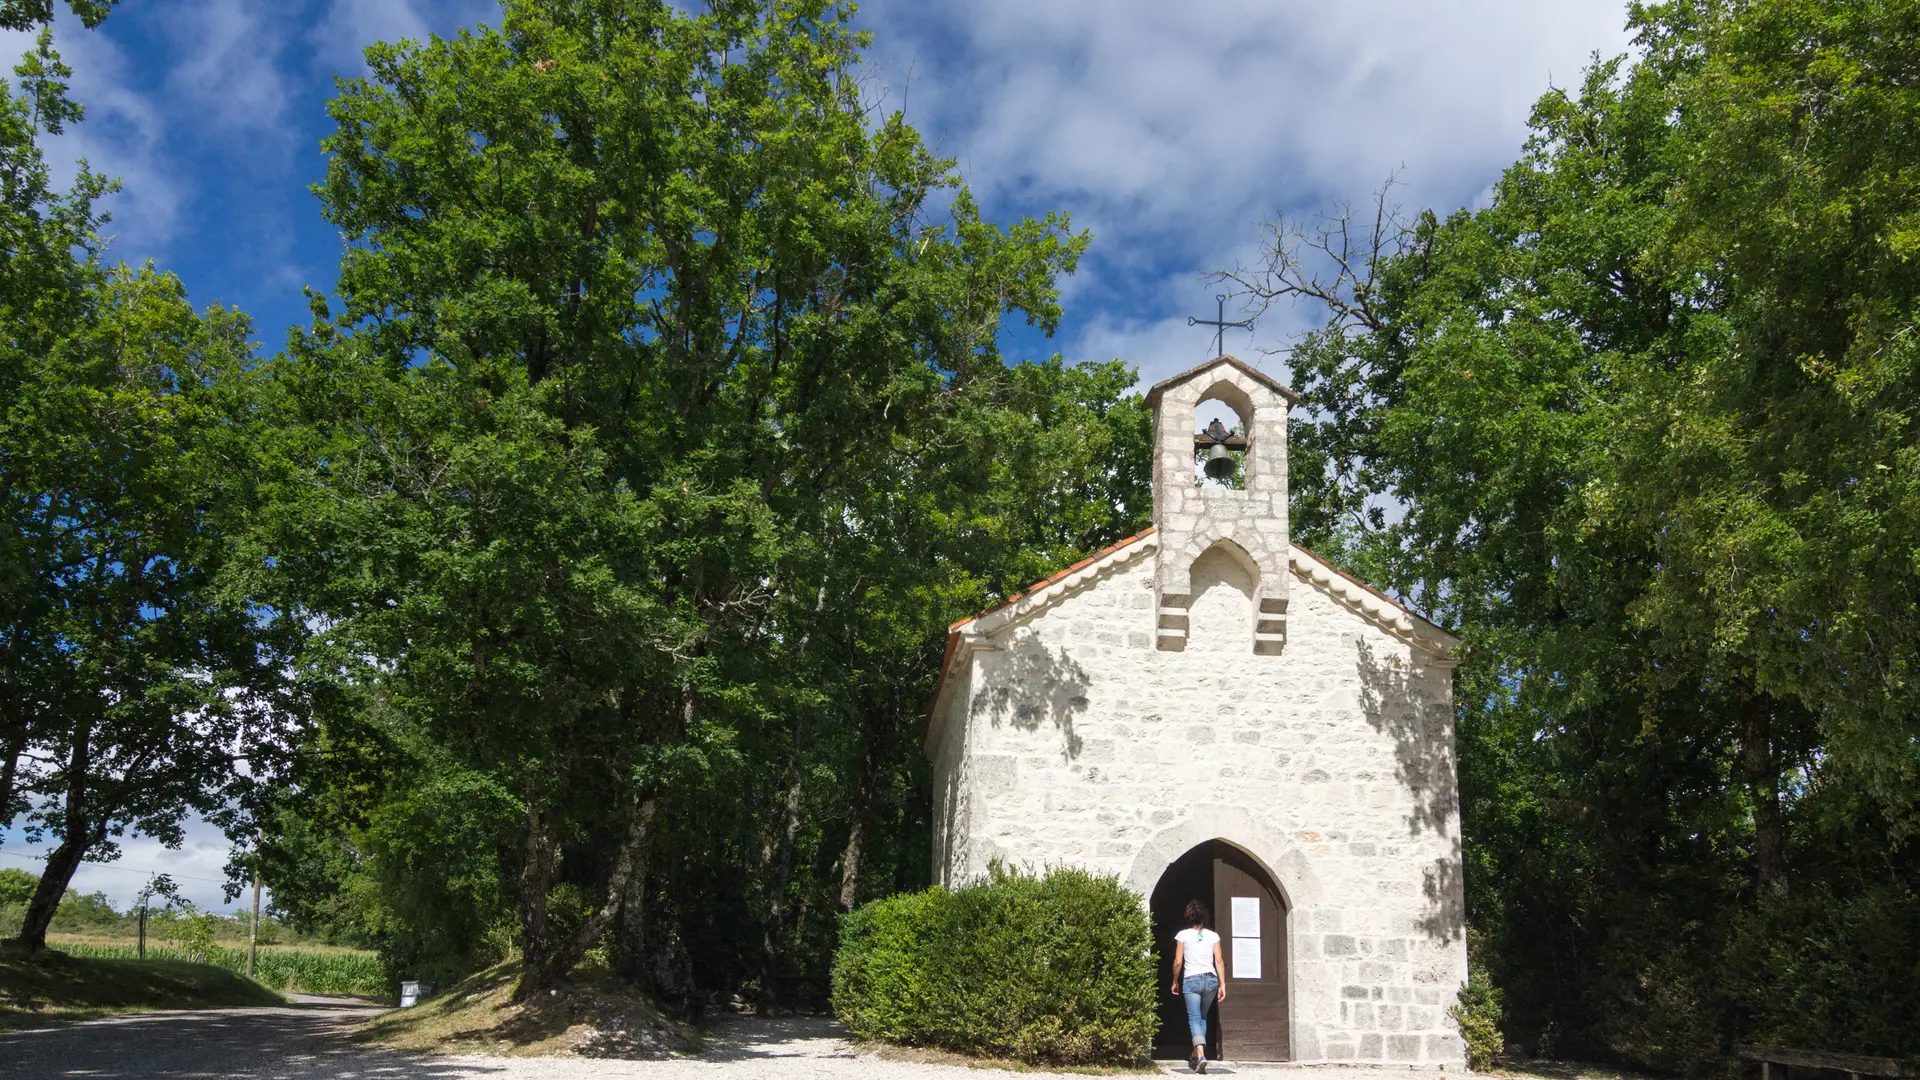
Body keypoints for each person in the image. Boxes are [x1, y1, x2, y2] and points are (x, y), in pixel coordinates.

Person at [1169, 899, 1226, 1073]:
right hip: (1210, 980)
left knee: (1194, 1018)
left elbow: (1178, 961)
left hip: (1192, 980)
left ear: (1188, 917)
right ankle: (1195, 1053)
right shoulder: (1213, 936)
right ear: (1205, 917)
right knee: (1202, 1017)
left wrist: (1174, 981)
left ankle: (1200, 1055)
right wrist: (1223, 984)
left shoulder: (1183, 935)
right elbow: (1218, 960)